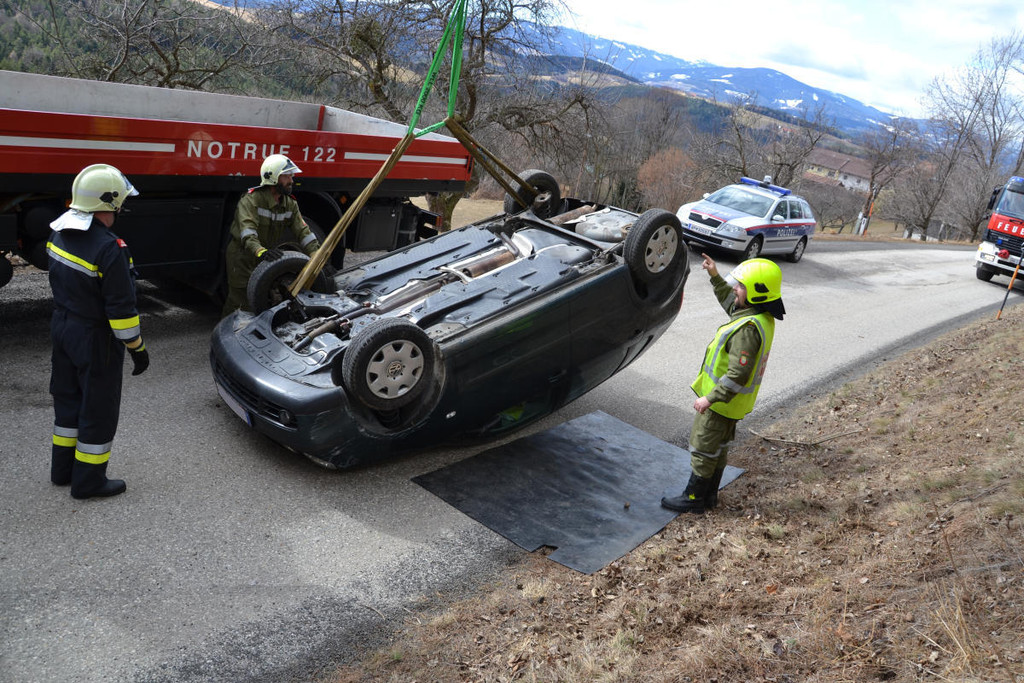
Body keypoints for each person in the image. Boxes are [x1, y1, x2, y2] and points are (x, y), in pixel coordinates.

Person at [47, 163, 149, 500]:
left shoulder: (58, 232)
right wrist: (137, 347)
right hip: (95, 338)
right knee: (98, 408)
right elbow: (121, 311)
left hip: (63, 328)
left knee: (68, 400)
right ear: (111, 202)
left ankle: (62, 470)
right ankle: (88, 482)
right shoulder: (110, 248)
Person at [661, 253, 786, 514]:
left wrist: (710, 398)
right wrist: (715, 276)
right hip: (731, 404)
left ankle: (693, 498)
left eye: (741, 286)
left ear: (757, 293)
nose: (735, 288)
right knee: (717, 450)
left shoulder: (748, 330)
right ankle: (709, 497)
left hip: (721, 403)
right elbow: (732, 304)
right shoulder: (757, 315)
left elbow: (738, 374)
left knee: (703, 448)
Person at [221, 154, 321, 317]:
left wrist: (317, 256)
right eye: (286, 176)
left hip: (265, 258)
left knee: (259, 301)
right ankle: (226, 330)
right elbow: (248, 232)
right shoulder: (251, 200)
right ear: (272, 177)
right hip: (243, 259)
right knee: (239, 304)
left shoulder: (289, 203)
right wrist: (260, 251)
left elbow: (304, 233)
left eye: (291, 176)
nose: (291, 180)